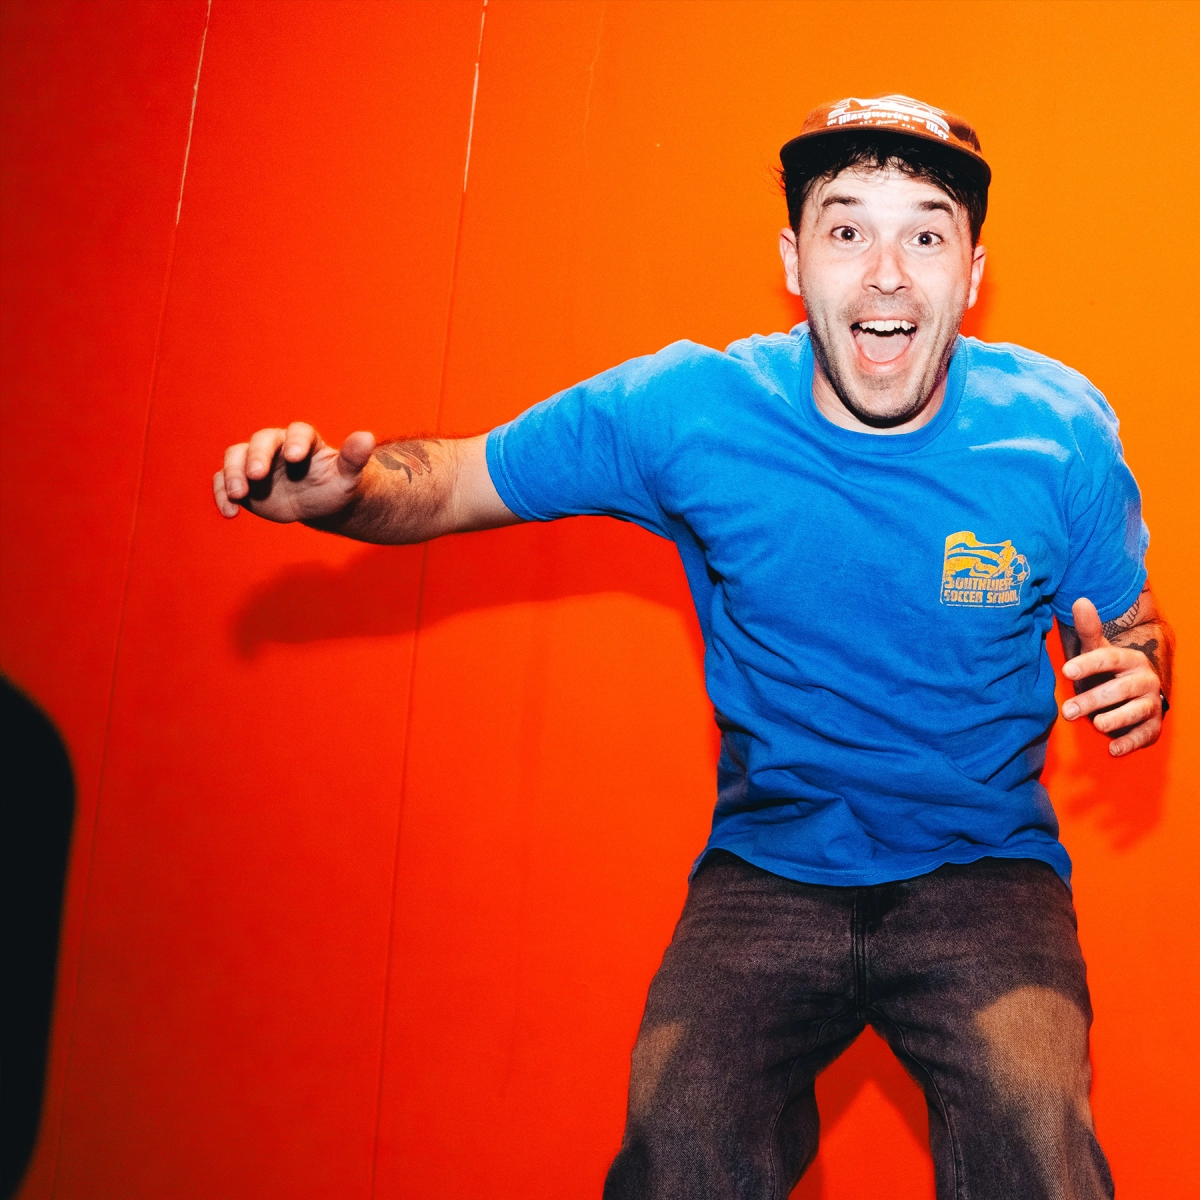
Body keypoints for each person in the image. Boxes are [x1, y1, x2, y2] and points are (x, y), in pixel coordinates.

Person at [213, 94, 1173, 1199]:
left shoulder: (1056, 434)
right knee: (682, 1144)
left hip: (984, 868)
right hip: (771, 865)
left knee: (1037, 1146)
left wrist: (1143, 676)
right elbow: (454, 482)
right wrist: (343, 496)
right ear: (793, 261)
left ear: (971, 273)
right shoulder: (689, 412)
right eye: (847, 229)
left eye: (926, 234)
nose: (886, 275)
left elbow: (1136, 625)